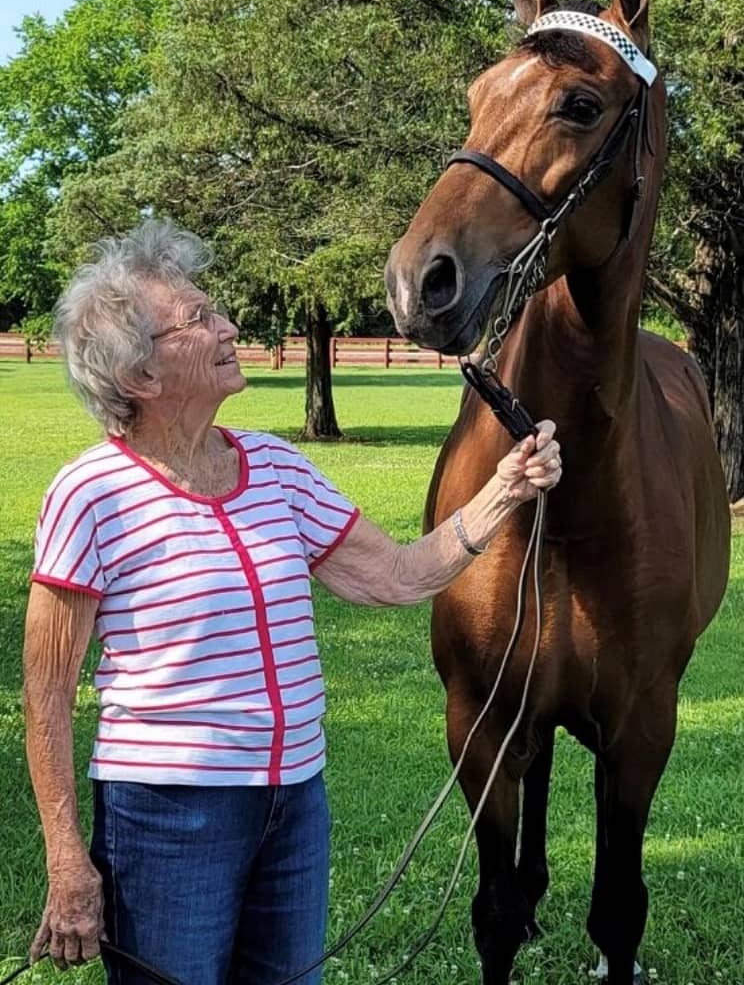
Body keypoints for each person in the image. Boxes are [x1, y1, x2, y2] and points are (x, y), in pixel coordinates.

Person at [23, 220, 562, 985]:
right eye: (200, 318)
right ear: (139, 373)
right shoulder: (90, 494)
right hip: (169, 817)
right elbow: (46, 694)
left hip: (295, 805)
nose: (229, 326)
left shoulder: (275, 467)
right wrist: (67, 860)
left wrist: (505, 488)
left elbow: (399, 576)